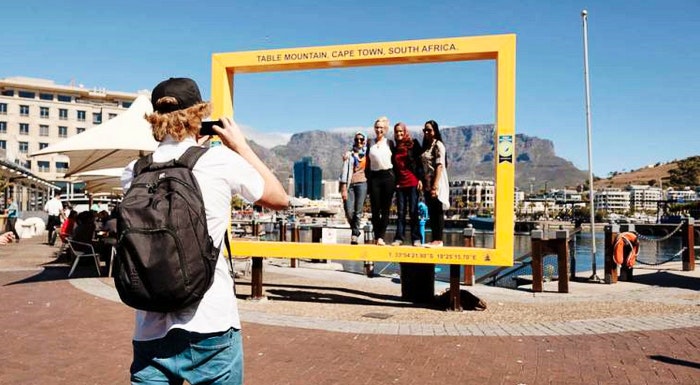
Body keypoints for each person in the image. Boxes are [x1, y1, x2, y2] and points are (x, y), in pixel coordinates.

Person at [122, 77, 288, 385]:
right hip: (211, 322)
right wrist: (239, 144)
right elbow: (279, 198)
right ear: (199, 115)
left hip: (149, 326)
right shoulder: (218, 160)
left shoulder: (133, 171)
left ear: (154, 119)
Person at [391, 122, 423, 247]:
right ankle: (399, 238)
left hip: (412, 182)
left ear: (405, 132)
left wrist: (420, 179)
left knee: (414, 211)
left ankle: (416, 238)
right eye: (397, 131)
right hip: (400, 184)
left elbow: (420, 163)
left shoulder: (413, 144)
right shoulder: (394, 148)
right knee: (401, 213)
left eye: (401, 131)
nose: (399, 133)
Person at [365, 116, 395, 246]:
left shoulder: (390, 143)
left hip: (388, 176)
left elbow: (396, 161)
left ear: (386, 129)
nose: (379, 130)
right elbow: (363, 157)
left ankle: (381, 237)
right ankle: (377, 236)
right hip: (374, 177)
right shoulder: (370, 142)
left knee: (385, 209)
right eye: (377, 127)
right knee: (375, 209)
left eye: (381, 128)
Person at [420, 120, 449, 247]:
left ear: (435, 131)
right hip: (427, 183)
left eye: (429, 130)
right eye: (425, 130)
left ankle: (439, 239)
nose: (427, 132)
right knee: (431, 211)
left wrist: (435, 185)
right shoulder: (426, 146)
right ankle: (434, 238)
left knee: (437, 211)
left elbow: (439, 165)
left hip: (435, 182)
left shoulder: (438, 145)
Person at [339, 132, 368, 245]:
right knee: (349, 211)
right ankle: (355, 230)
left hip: (362, 184)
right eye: (357, 140)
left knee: (358, 211)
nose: (359, 142)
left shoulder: (368, 154)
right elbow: (344, 171)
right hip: (350, 185)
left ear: (365, 141)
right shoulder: (349, 155)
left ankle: (354, 235)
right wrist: (343, 187)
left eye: (361, 139)